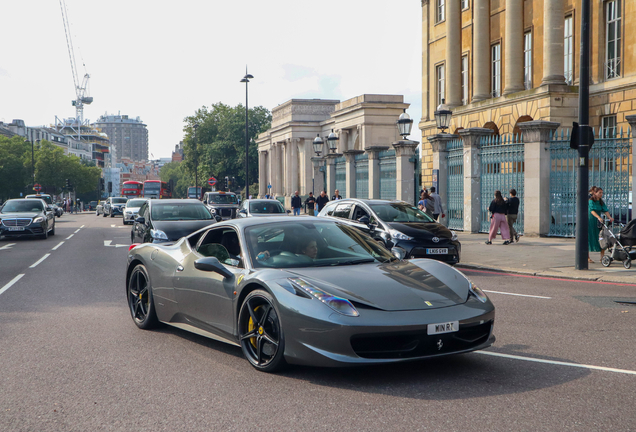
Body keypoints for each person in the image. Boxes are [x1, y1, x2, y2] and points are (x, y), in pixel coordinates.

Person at [588, 186, 613, 263]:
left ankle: (602, 257)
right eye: (599, 193)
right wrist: (598, 217)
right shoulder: (591, 201)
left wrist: (609, 217)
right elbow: (591, 210)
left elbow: (605, 210)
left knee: (602, 238)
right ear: (595, 193)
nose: (601, 194)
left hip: (599, 222)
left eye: (602, 193)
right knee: (589, 238)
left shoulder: (601, 202)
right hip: (591, 221)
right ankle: (587, 257)